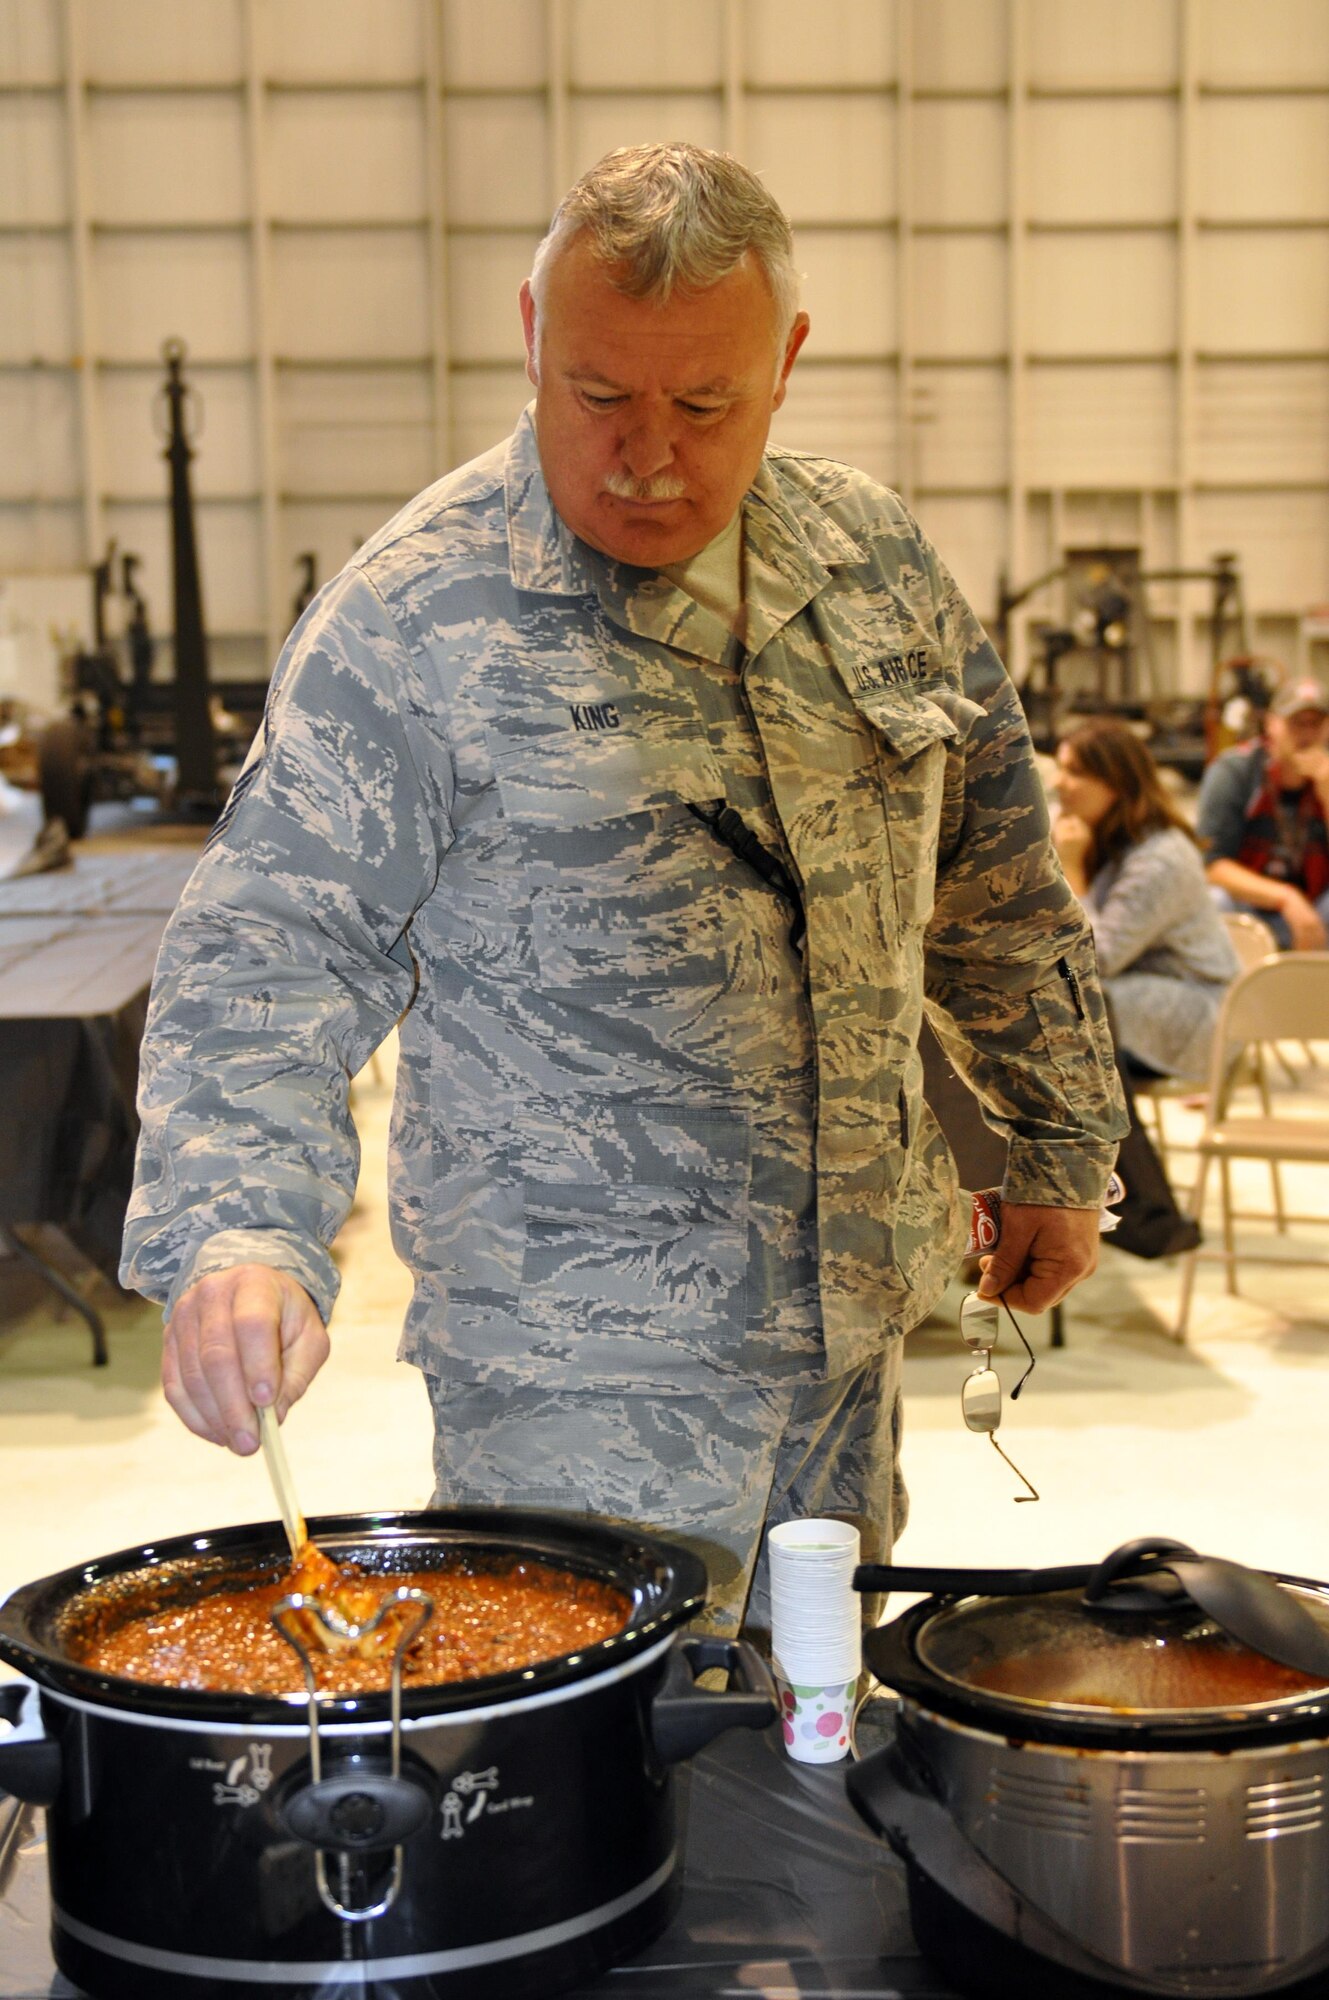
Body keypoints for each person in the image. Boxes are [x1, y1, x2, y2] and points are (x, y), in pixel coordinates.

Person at [121, 143, 1126, 1636]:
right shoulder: (415, 620)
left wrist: (1055, 1137)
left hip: (852, 1338)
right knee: (597, 1797)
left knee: (814, 1756)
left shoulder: (870, 562)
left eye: (703, 404)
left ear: (785, 364)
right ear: (532, 338)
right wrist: (239, 1236)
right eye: (599, 395)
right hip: (579, 1376)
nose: (647, 451)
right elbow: (272, 953)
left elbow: (993, 877)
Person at [1052, 719, 1240, 1082]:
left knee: (1064, 1005)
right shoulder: (1094, 837)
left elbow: (1096, 961)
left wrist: (1071, 873)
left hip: (1197, 1014)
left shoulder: (1161, 858)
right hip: (1134, 990)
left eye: (1074, 772)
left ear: (1117, 783)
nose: (1058, 783)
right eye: (1059, 768)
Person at [1196, 677, 1329, 951]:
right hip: (1252, 904)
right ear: (1271, 724)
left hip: (1318, 908)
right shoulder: (1235, 771)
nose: (1306, 734)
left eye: (1314, 724)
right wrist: (1287, 898)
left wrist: (1327, 795)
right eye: (1296, 723)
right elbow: (1212, 866)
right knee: (1214, 900)